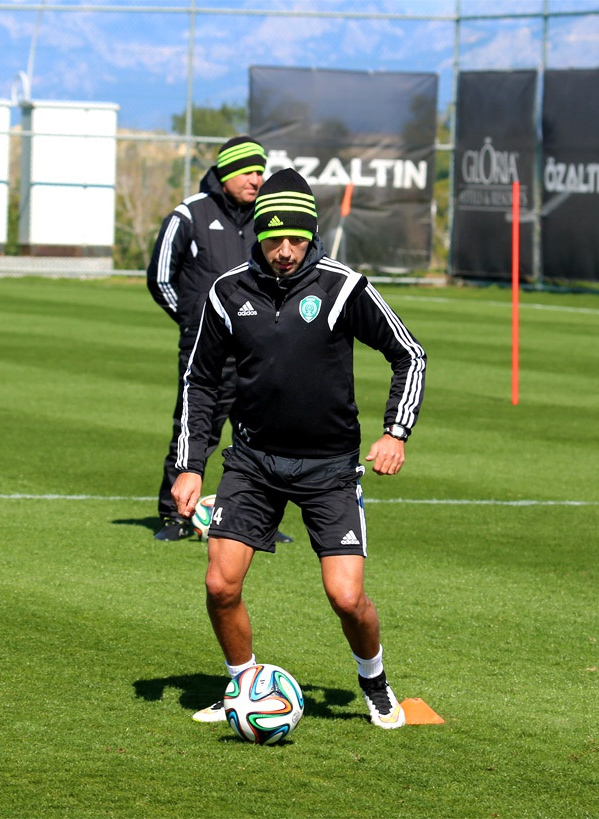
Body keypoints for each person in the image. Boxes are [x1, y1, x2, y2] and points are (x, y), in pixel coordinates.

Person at [170, 168, 427, 729]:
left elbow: (409, 354)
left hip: (329, 469)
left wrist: (395, 431)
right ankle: (245, 687)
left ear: (312, 234)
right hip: (253, 463)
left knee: (346, 598)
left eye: (296, 239)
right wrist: (190, 465)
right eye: (273, 239)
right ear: (258, 234)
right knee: (220, 584)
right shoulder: (227, 291)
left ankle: (375, 684)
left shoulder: (343, 287)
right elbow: (200, 381)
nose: (284, 251)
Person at [147, 135, 291, 544]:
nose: (256, 179)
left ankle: (262, 521)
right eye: (248, 171)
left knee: (264, 436)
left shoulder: (268, 218)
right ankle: (175, 515)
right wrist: (196, 323)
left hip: (258, 352)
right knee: (195, 431)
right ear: (226, 173)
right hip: (207, 351)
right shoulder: (189, 214)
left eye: (260, 171)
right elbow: (160, 278)